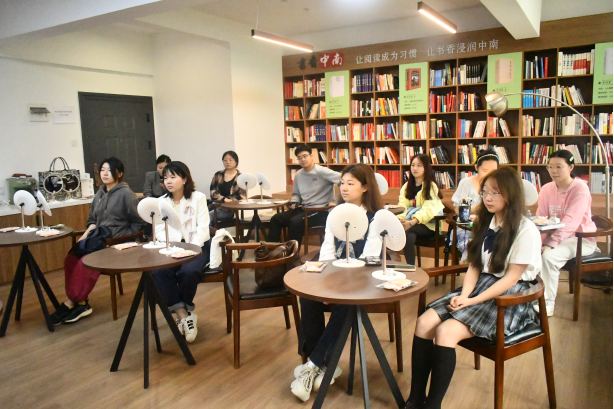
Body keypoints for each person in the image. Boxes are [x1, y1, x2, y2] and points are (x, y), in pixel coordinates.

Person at [403, 167, 542, 409]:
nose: (488, 198)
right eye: (485, 191)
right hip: (481, 286)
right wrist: (465, 295)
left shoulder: (526, 229)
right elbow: (475, 266)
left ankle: (432, 405)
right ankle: (415, 399)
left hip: (512, 296)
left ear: (511, 194)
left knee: (446, 331)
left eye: (496, 193)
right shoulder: (486, 222)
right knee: (424, 323)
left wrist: (472, 301)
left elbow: (511, 279)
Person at [291, 164, 384, 402]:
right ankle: (325, 365)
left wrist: (341, 285)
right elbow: (327, 253)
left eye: (351, 183)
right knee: (307, 295)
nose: (344, 188)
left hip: (362, 281)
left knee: (346, 303)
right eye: (342, 183)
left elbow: (369, 258)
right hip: (335, 276)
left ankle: (312, 365)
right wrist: (326, 284)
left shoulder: (375, 218)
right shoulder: (335, 214)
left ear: (365, 187)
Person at [49, 158, 144, 325]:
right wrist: (86, 235)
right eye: (102, 170)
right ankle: (80, 302)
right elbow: (92, 219)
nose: (105, 173)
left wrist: (121, 238)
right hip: (97, 239)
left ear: (119, 173)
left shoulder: (126, 194)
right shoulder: (100, 193)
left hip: (114, 244)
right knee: (71, 259)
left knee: (86, 262)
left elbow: (138, 222)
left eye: (109, 170)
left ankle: (71, 302)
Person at [152, 161, 211, 343]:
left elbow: (203, 228)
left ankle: (182, 312)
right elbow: (159, 229)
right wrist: (173, 245)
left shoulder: (198, 197)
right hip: (172, 246)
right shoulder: (161, 202)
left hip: (197, 246)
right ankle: (183, 314)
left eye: (173, 177)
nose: (168, 181)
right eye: (165, 178)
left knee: (189, 271)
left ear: (185, 179)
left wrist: (190, 248)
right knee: (158, 272)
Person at [536, 149, 598, 317]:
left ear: (571, 167)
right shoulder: (546, 189)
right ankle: (529, 297)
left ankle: (547, 303)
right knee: (527, 251)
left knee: (548, 258)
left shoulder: (580, 189)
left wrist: (550, 244)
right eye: (550, 167)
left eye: (559, 167)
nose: (553, 171)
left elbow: (571, 222)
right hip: (555, 238)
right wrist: (539, 242)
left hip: (580, 239)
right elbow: (541, 219)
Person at [268, 144, 340, 246]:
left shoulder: (321, 171)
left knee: (295, 222)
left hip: (321, 211)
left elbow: (344, 180)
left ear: (311, 156)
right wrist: (294, 202)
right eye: (299, 158)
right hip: (304, 209)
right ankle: (271, 249)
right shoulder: (298, 175)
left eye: (305, 156)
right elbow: (296, 194)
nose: (303, 160)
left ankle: (292, 253)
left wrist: (336, 201)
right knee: (276, 219)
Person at [450, 150, 499, 261]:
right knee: (475, 247)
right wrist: (477, 209)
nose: (489, 175)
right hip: (469, 228)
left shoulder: (499, 185)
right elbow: (458, 210)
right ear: (477, 167)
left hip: (492, 226)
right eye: (485, 170)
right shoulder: (466, 183)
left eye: (494, 171)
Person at [397, 154, 444, 265]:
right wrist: (400, 220)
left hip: (430, 225)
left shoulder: (431, 186)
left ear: (426, 168)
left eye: (419, 165)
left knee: (409, 231)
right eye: (413, 165)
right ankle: (411, 267)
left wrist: (412, 222)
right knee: (408, 234)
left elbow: (428, 210)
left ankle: (410, 267)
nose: (415, 168)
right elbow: (402, 206)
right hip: (411, 225)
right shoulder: (406, 187)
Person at [209, 151, 245, 225]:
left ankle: (210, 233)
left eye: (230, 160)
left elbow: (242, 196)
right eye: (225, 160)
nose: (227, 162)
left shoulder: (241, 178)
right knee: (198, 216)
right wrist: (224, 199)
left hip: (229, 211)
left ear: (236, 162)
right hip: (215, 207)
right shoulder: (218, 175)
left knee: (207, 217)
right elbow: (213, 192)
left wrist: (230, 200)